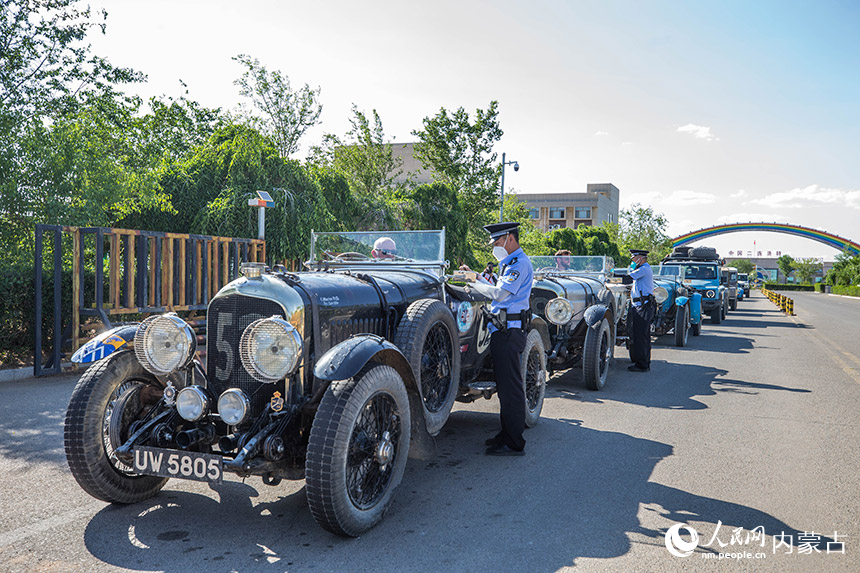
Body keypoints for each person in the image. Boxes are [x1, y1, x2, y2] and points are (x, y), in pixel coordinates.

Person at [459, 222, 533, 456]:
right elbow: (499, 287)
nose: (495, 247)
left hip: (509, 332)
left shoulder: (519, 264)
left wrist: (474, 284)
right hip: (503, 329)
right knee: (505, 385)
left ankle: (514, 442)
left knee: (510, 387)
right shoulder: (510, 263)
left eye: (498, 242)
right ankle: (506, 433)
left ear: (510, 238)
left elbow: (500, 294)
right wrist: (477, 276)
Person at [627, 249, 655, 372]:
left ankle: (642, 364)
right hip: (640, 305)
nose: (632, 260)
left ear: (640, 258)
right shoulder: (643, 269)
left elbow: (627, 278)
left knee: (640, 336)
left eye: (634, 258)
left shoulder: (643, 269)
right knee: (642, 335)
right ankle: (643, 361)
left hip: (643, 306)